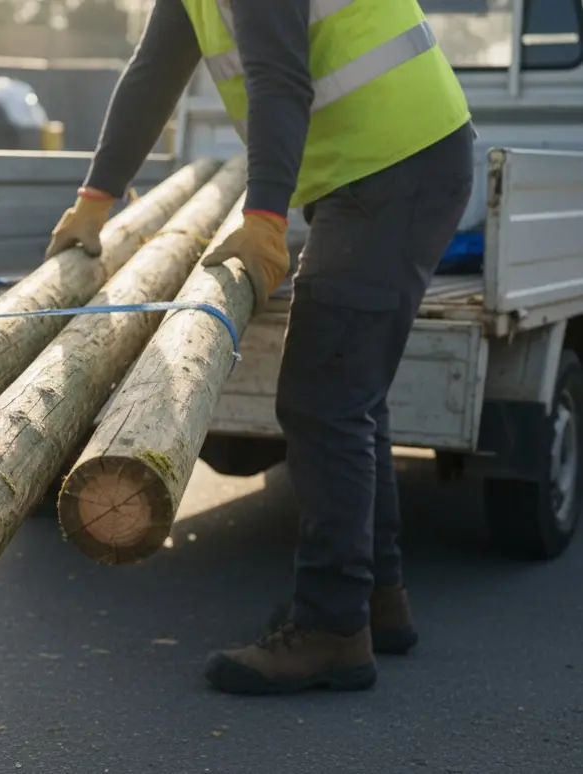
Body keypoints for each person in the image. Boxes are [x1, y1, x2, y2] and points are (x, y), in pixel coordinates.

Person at [46, 0, 475, 695]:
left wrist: (265, 219)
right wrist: (96, 197)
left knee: (324, 399)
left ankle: (332, 630)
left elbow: (279, 77)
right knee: (347, 390)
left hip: (395, 164)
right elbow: (153, 72)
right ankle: (372, 598)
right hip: (375, 167)